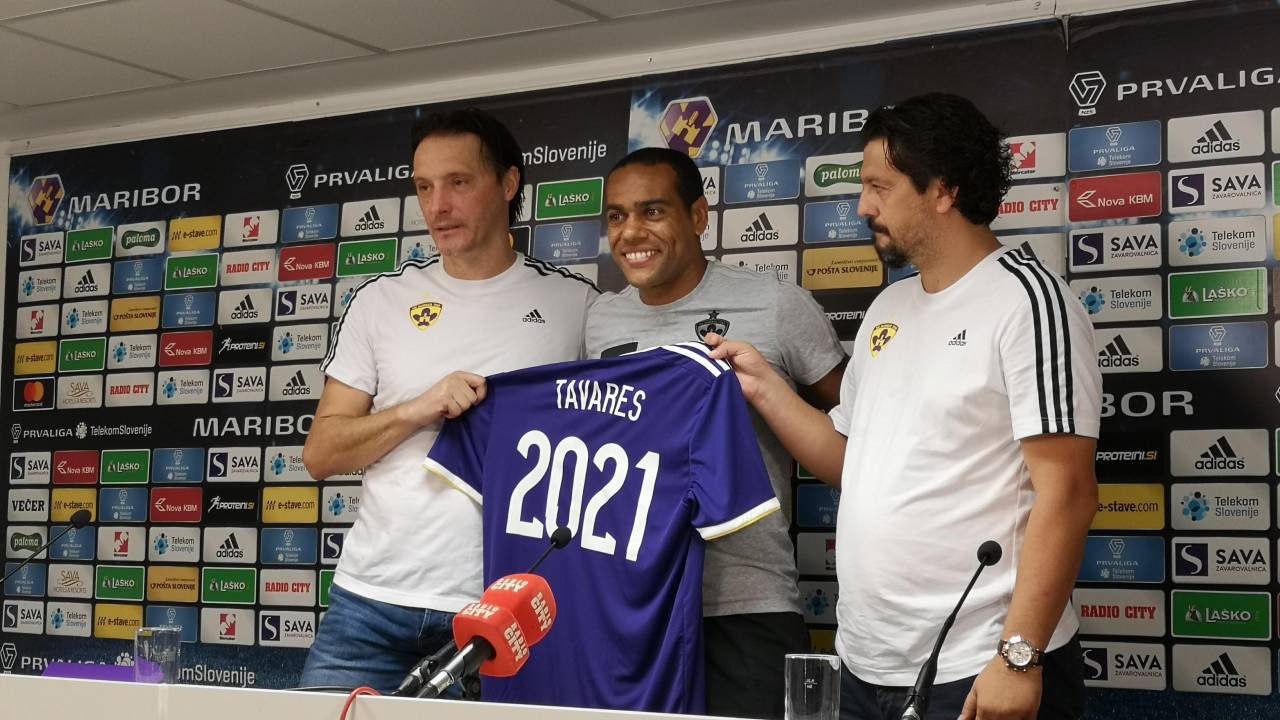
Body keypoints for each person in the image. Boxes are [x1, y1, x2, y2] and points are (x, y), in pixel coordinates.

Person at [708, 93, 1101, 720]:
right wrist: (763, 386)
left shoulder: (1029, 304)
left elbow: (1069, 493)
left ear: (942, 190)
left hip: (978, 665)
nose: (862, 206)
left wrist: (1018, 657)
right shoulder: (887, 309)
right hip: (866, 664)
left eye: (879, 187)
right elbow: (848, 461)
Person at [300, 108, 599, 693]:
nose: (437, 206)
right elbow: (321, 453)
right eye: (424, 187)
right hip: (370, 603)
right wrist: (419, 408)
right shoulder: (380, 300)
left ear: (508, 184)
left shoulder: (578, 306)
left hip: (503, 610)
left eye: (458, 182)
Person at [586, 146, 846, 719]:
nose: (631, 232)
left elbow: (862, 421)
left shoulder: (775, 305)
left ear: (699, 216)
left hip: (747, 601)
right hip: (635, 604)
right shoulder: (600, 319)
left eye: (653, 211)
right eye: (617, 216)